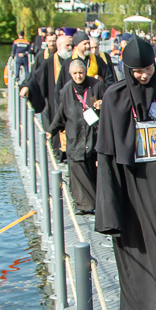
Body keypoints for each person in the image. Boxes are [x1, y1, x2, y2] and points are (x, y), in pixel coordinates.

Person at [94, 37, 156, 310]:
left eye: (148, 69)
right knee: (135, 247)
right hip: (130, 186)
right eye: (137, 71)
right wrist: (109, 204)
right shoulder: (114, 97)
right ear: (126, 69)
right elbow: (107, 154)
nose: (145, 76)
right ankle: (140, 309)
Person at [48, 58, 104, 213]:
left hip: (93, 135)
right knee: (77, 171)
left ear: (85, 71)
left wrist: (102, 104)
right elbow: (60, 115)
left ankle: (96, 203)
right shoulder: (66, 90)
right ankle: (84, 205)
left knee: (94, 172)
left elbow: (111, 105)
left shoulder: (97, 86)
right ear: (70, 73)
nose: (78, 76)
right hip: (75, 137)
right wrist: (50, 131)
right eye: (75, 74)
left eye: (81, 73)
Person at [20, 32, 69, 152]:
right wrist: (27, 86)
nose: (69, 48)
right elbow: (36, 77)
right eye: (67, 45)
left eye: (70, 45)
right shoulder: (49, 61)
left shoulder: (73, 61)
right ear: (59, 46)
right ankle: (59, 152)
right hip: (55, 100)